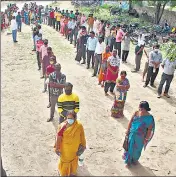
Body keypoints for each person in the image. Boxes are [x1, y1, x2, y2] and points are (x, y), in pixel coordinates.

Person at [123, 101, 155, 167]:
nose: (140, 110)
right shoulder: (136, 113)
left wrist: (146, 139)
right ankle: (128, 161)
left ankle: (134, 160)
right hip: (132, 134)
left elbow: (149, 130)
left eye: (142, 109)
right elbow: (131, 121)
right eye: (139, 108)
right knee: (129, 147)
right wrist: (128, 130)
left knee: (137, 150)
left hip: (140, 137)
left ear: (146, 109)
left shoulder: (149, 118)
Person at [54, 110, 86, 176]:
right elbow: (58, 137)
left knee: (73, 160)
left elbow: (82, 136)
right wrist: (57, 148)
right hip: (65, 149)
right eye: (68, 118)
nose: (69, 120)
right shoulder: (62, 126)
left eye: (71, 118)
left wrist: (83, 146)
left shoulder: (79, 126)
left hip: (74, 149)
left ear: (75, 118)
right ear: (66, 118)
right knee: (64, 161)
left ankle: (71, 172)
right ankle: (63, 173)